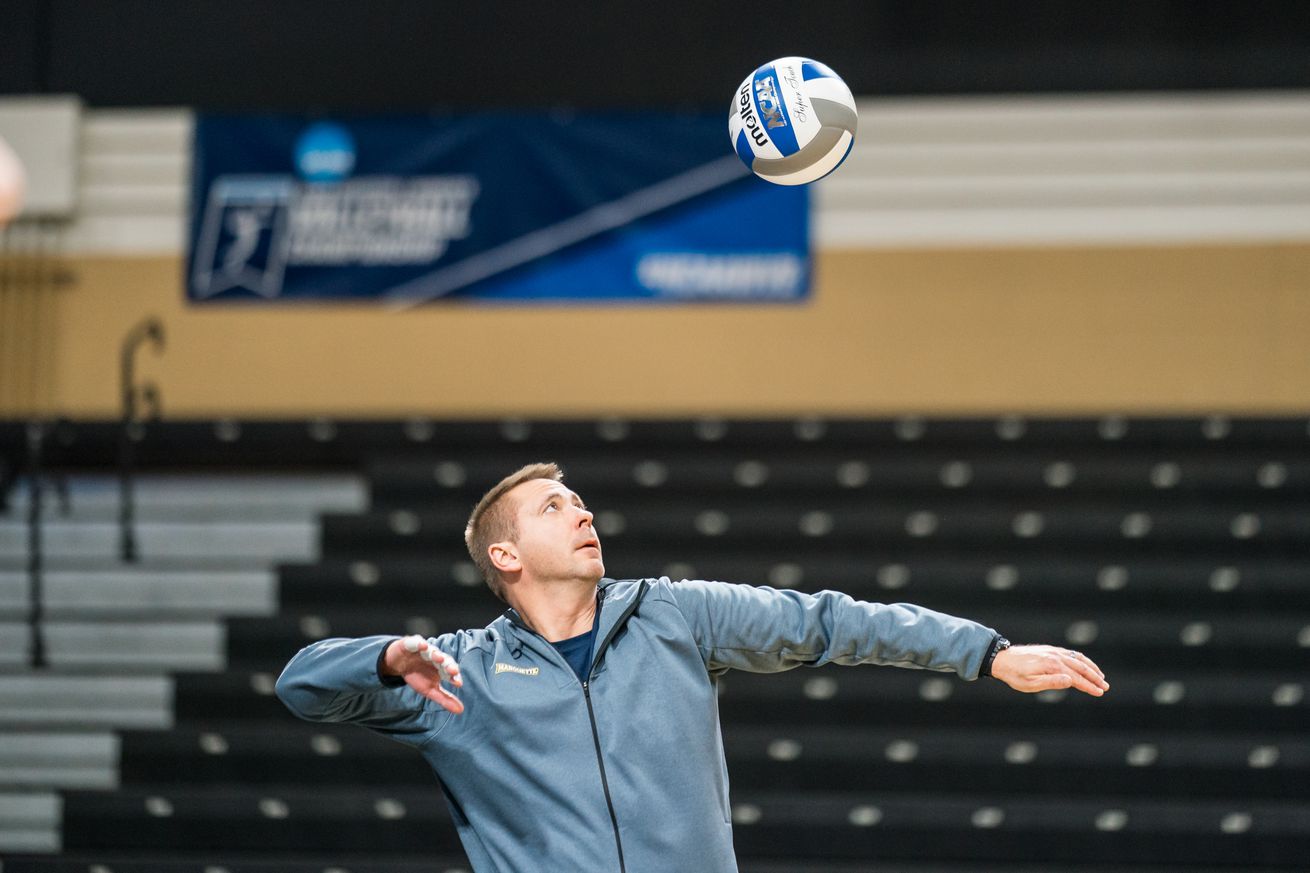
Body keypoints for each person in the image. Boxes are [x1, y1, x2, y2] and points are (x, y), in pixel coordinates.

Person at [277, 461, 1109, 873]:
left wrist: (989, 652)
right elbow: (300, 684)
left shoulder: (674, 613)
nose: (583, 511)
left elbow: (829, 622)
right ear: (506, 552)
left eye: (579, 500)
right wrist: (385, 657)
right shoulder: (454, 673)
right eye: (553, 506)